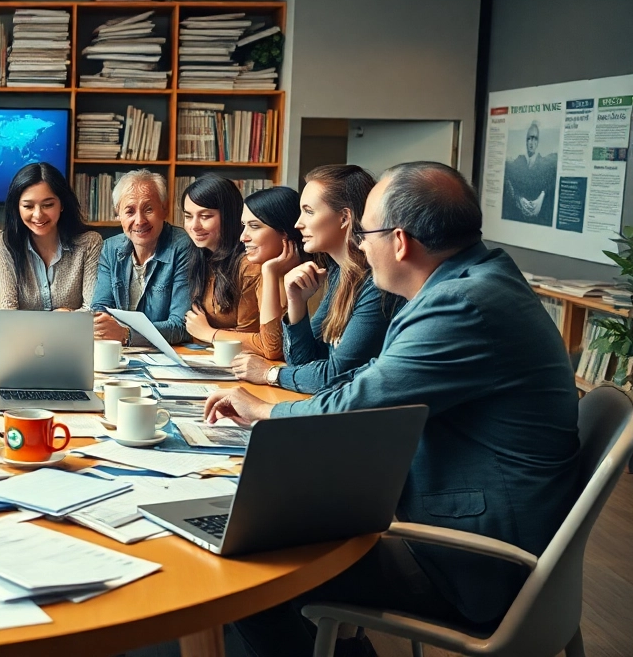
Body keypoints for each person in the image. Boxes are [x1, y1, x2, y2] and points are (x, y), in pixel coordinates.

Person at [204, 162, 580, 657]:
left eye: (365, 233)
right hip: (468, 527)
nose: (360, 245)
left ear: (399, 242)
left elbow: (358, 406)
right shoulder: (473, 280)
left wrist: (260, 411)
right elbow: (368, 379)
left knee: (250, 578)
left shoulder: (461, 305)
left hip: (472, 564)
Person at [231, 165, 401, 392]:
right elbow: (302, 361)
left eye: (309, 212)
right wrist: (297, 303)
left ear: (344, 218)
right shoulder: (340, 274)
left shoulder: (375, 284)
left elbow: (336, 375)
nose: (298, 224)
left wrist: (269, 373)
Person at [88, 169, 193, 346]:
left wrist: (126, 334)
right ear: (118, 214)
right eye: (129, 211)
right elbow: (100, 309)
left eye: (148, 209)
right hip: (118, 350)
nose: (139, 220)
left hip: (168, 354)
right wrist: (102, 326)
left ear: (164, 209)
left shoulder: (182, 246)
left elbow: (181, 326)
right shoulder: (110, 248)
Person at [0, 162, 102, 311]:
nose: (38, 215)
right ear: (17, 208)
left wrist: (69, 315)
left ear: (62, 204)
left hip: (72, 329)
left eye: (48, 205)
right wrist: (59, 318)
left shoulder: (90, 243)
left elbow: (93, 309)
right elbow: (5, 310)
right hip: (22, 329)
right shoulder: (6, 243)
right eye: (28, 206)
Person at [179, 175, 265, 353]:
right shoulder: (199, 256)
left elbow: (260, 341)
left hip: (243, 359)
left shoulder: (248, 265)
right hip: (205, 355)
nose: (194, 226)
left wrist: (208, 333)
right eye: (188, 216)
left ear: (229, 216)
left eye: (205, 216)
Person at [232, 186, 308, 361]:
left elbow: (272, 347)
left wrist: (208, 333)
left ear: (285, 232)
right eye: (244, 226)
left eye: (254, 226)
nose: (243, 237)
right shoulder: (260, 269)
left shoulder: (309, 276)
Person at [502, 121, 557, 226]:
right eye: (529, 138)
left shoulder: (545, 164)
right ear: (526, 141)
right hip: (519, 219)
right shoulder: (519, 161)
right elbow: (509, 182)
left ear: (538, 142)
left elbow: (553, 183)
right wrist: (519, 199)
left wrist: (541, 198)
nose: (531, 142)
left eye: (534, 138)